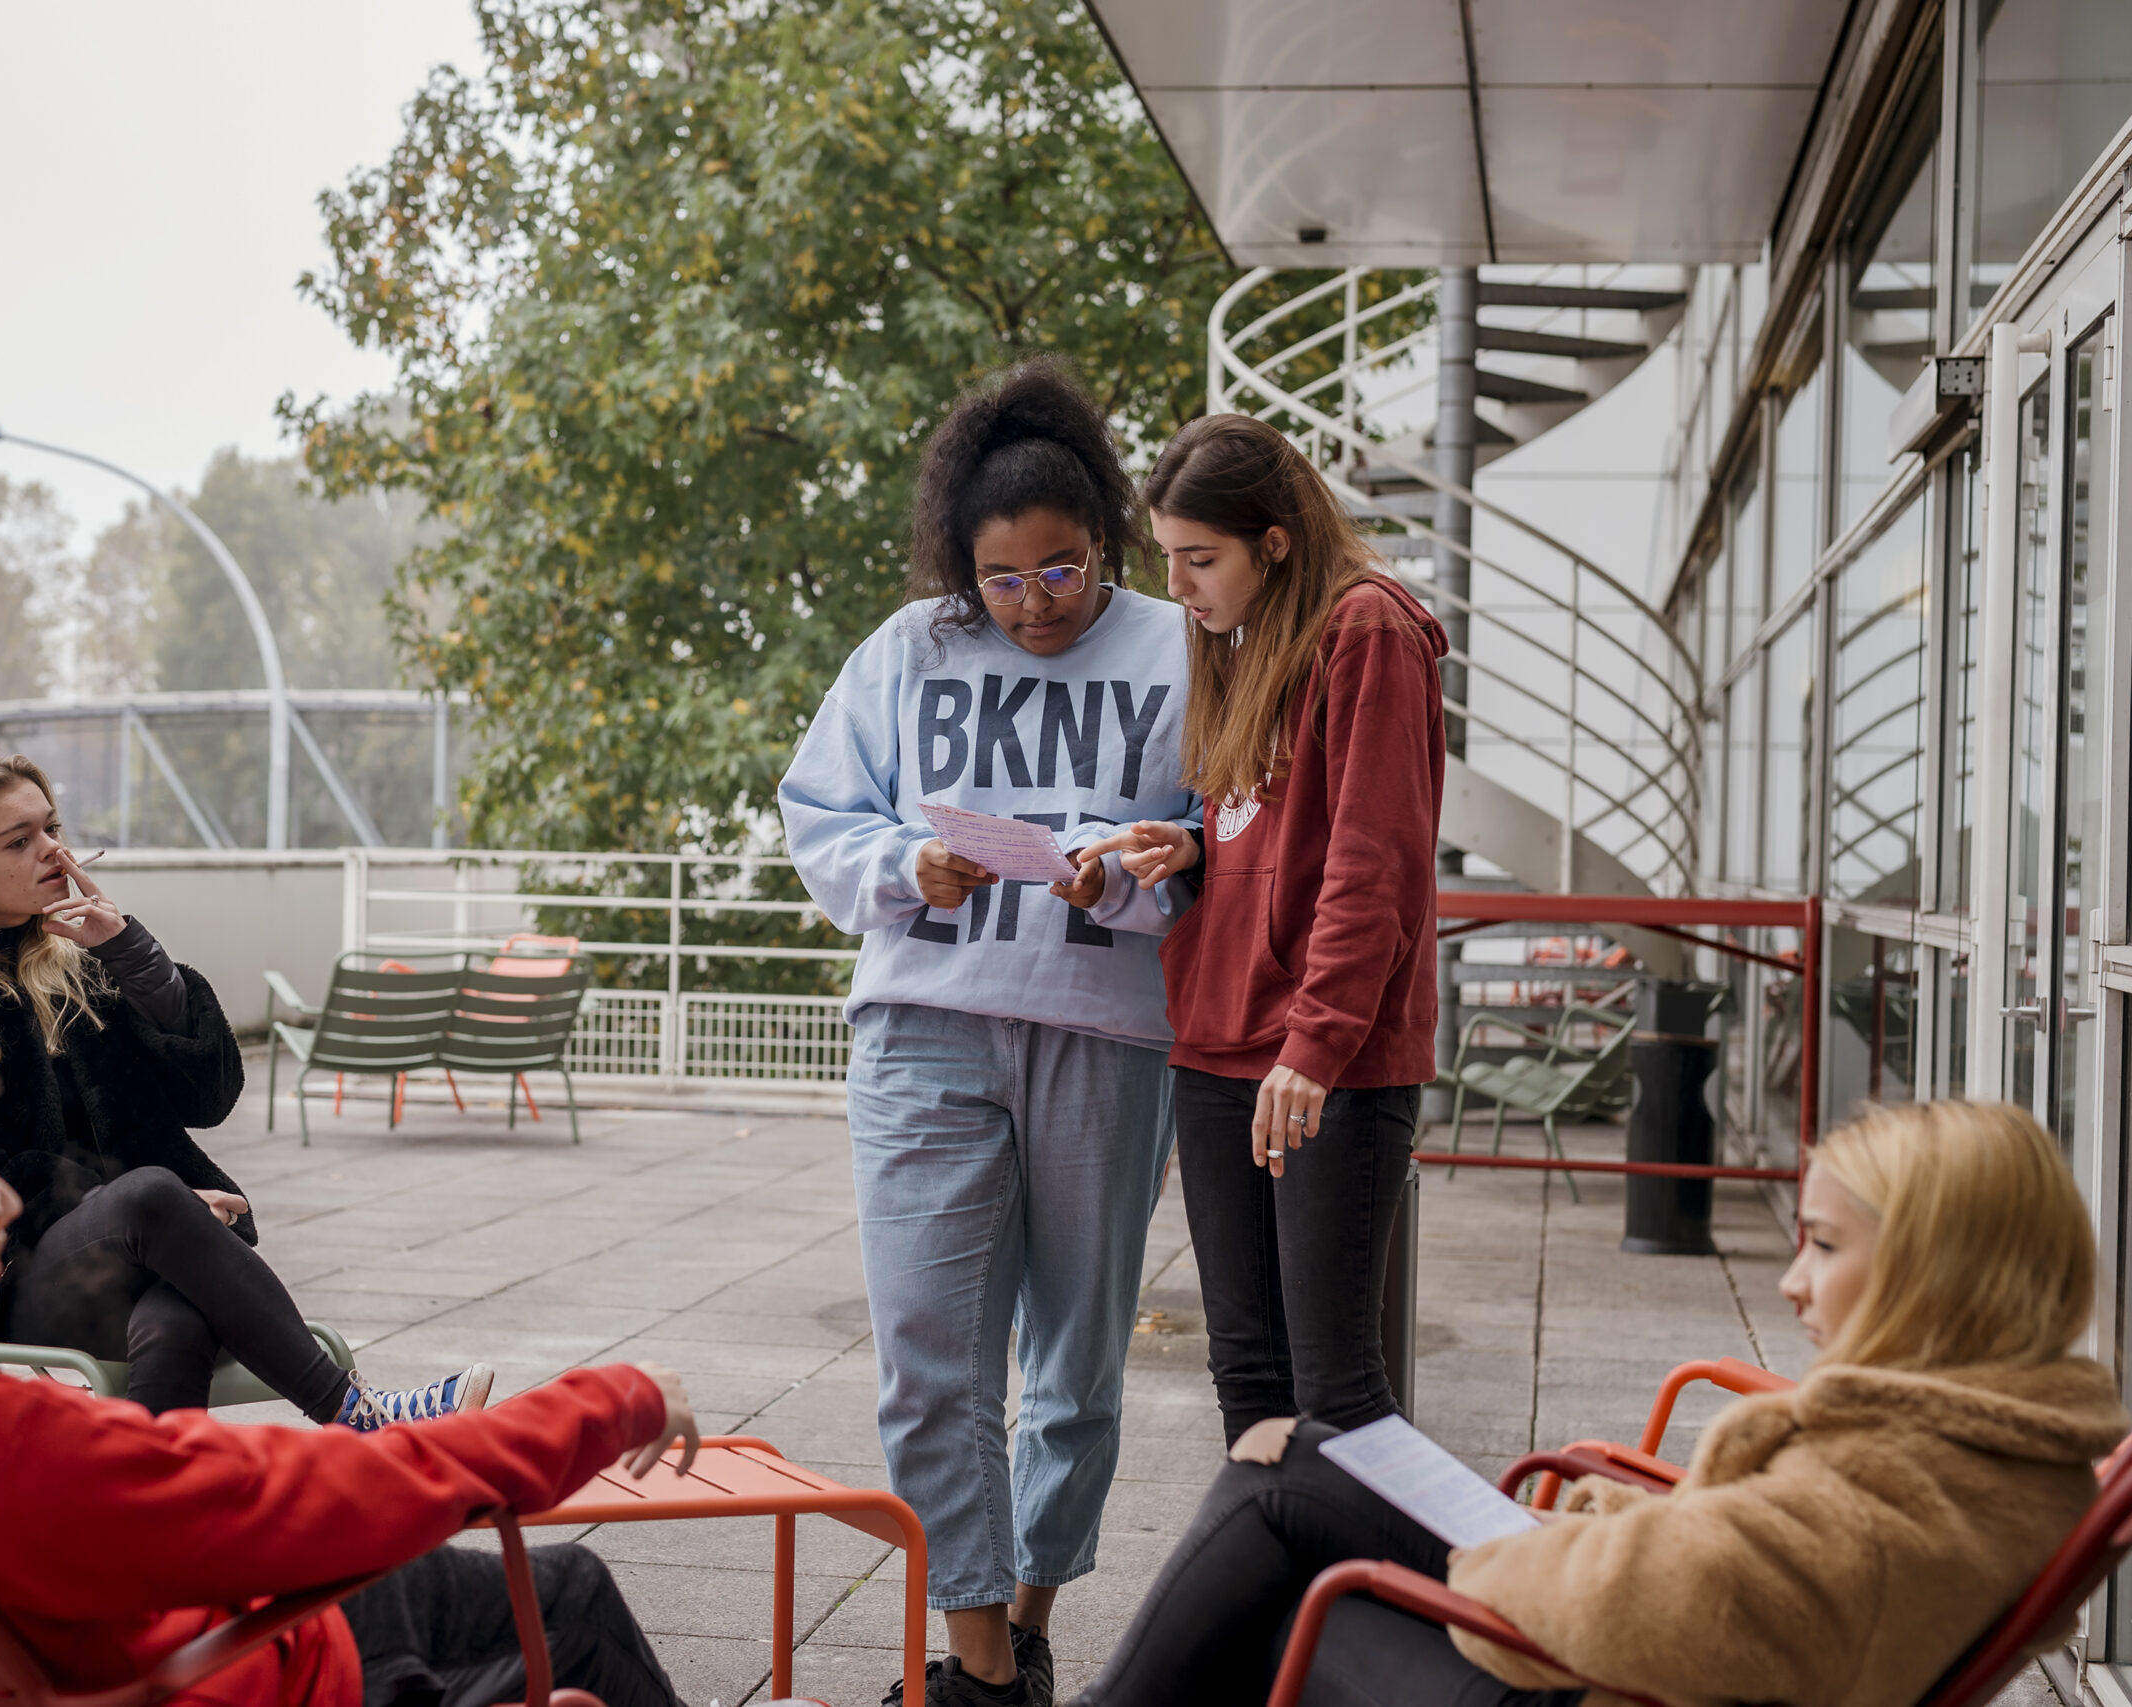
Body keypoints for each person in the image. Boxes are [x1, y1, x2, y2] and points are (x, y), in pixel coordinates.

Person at [0, 1010, 695, 1707]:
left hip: (90, 1635)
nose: (5, 1212)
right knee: (570, 1592)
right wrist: (614, 1398)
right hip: (245, 1668)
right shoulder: (10, 1454)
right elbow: (362, 1485)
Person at [1071, 1098, 2131, 1707]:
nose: (1791, 1279)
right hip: (1615, 1652)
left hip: (1589, 1683)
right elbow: (1730, 1572)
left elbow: (1674, 1596)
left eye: (1823, 1244)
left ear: (1939, 1272)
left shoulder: (1903, 1495)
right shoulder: (1977, 1454)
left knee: (1281, 1553)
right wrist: (1563, 1531)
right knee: (1291, 1459)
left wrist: (1507, 1548)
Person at [778, 358, 1198, 1707]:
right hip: (926, 1027)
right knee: (928, 1357)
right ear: (959, 563)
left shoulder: (1181, 646)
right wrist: (910, 864)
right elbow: (822, 817)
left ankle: (1025, 1615)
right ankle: (974, 1667)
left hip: (1107, 1035)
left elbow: (1226, 837)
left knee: (1074, 1372)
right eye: (1000, 579)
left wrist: (1140, 865)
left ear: (1106, 544)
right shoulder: (909, 647)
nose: (1031, 604)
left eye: (1060, 572)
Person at [0, 750, 490, 1428]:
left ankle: (147, 1509)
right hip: (10, 1278)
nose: (55, 852)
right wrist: (141, 1210)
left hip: (143, 1253)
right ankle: (358, 1411)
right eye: (20, 840)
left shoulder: (83, 974)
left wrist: (131, 952)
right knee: (153, 1196)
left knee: (178, 1317)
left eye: (53, 828)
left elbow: (208, 1095)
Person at [1078, 414, 1446, 1442]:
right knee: (1247, 1373)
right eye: (1169, 560)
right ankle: (1297, 1611)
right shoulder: (1239, 641)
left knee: (1336, 1393)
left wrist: (1315, 1045)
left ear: (1274, 542)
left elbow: (1373, 866)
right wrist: (1197, 845)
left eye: (1201, 560)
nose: (1180, 587)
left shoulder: (1368, 630)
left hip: (1323, 1063)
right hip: (1218, 1046)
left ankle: (1452, 1586)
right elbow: (1280, 821)